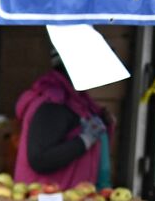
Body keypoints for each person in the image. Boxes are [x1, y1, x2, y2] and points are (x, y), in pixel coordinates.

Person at [14, 46, 113, 191]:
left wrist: (102, 121)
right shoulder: (53, 105)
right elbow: (40, 159)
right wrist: (84, 140)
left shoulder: (78, 101)